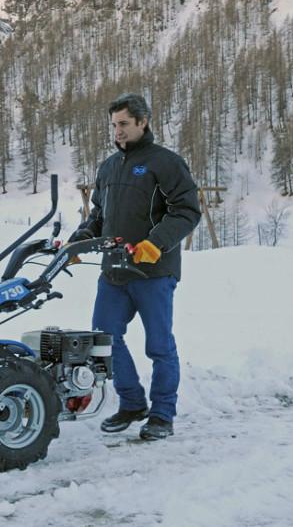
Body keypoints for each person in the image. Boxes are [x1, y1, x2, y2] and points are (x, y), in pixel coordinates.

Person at [70, 93, 201, 440]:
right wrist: (78, 241)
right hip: (114, 272)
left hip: (153, 272)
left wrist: (156, 243)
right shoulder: (109, 167)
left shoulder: (166, 163)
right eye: (114, 125)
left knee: (159, 345)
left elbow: (187, 211)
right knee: (104, 338)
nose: (118, 131)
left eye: (124, 124)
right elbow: (99, 216)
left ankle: (162, 414)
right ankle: (131, 403)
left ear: (143, 122)